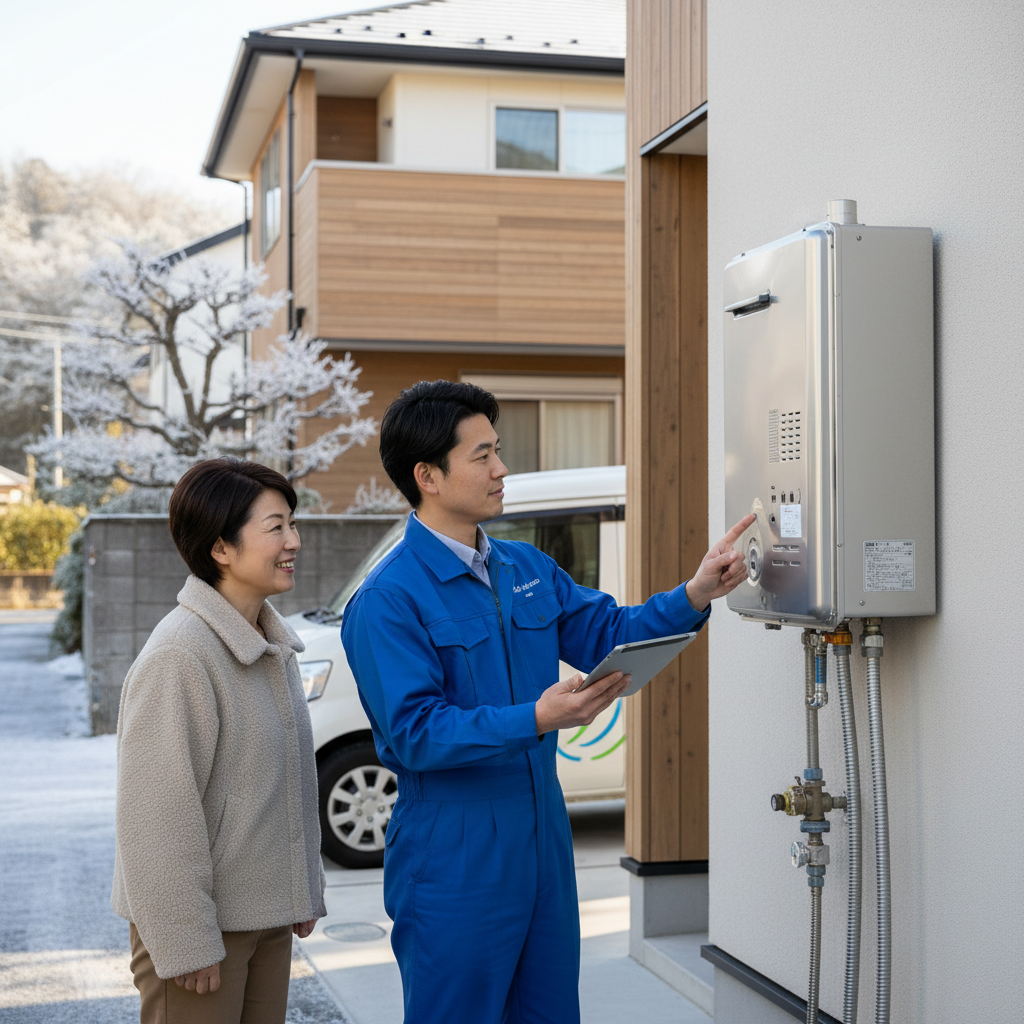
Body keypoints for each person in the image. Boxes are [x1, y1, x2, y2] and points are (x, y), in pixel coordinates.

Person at [341, 380, 755, 1024]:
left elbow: (613, 632)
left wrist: (696, 593)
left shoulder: (525, 568)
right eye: (482, 456)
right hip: (455, 853)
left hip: (544, 844)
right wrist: (536, 717)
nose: (502, 469)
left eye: (497, 450)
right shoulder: (389, 599)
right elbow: (414, 733)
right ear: (427, 475)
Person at [111, 458, 326, 1024]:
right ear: (220, 548)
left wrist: (302, 888)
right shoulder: (180, 655)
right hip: (201, 939)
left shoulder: (267, 645)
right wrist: (185, 940)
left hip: (264, 920)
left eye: (292, 524)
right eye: (275, 526)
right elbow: (155, 819)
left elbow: (286, 780)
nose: (293, 541)